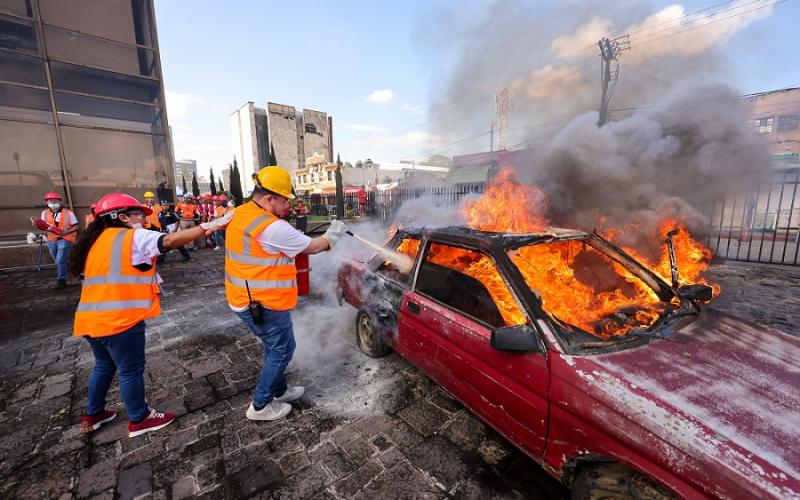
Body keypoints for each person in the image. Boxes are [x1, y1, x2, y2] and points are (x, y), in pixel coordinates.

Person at [70, 193, 233, 437]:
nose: (143, 220)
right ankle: (139, 418)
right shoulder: (132, 236)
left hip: (88, 318)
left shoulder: (93, 241)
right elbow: (169, 241)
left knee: (104, 365)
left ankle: (93, 414)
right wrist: (209, 226)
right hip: (120, 320)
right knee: (129, 370)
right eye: (138, 215)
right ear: (121, 217)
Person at [225, 166, 347, 421]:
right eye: (284, 200)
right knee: (283, 349)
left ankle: (278, 390)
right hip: (263, 302)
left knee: (274, 346)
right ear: (269, 198)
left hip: (245, 296)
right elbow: (314, 246)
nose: (287, 206)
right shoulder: (271, 227)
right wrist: (335, 232)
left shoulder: (242, 212)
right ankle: (260, 406)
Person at [32, 192, 78, 290]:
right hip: (51, 240)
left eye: (55, 200)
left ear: (59, 201)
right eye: (50, 200)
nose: (52, 201)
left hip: (65, 239)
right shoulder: (44, 213)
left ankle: (61, 280)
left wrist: (67, 232)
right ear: (47, 202)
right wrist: (37, 224)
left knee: (60, 260)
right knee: (59, 261)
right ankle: (77, 270)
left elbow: (76, 226)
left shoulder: (68, 213)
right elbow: (43, 227)